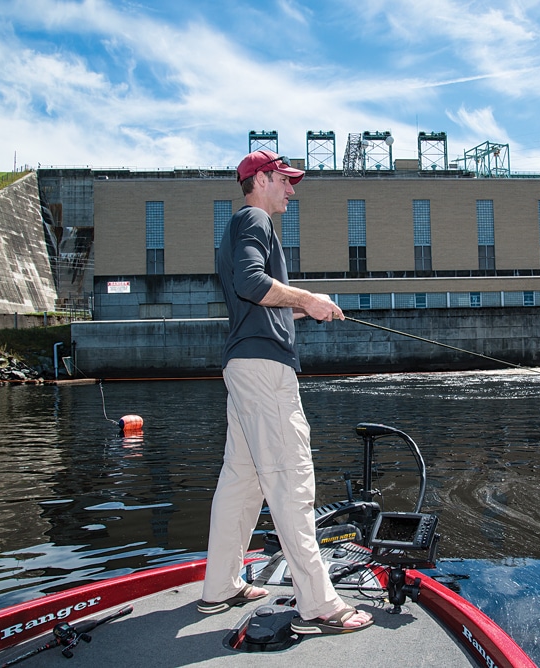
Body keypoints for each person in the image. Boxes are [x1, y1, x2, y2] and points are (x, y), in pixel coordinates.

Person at [198, 150, 374, 635]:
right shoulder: (254, 218)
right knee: (292, 481)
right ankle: (318, 603)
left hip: (244, 366)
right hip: (264, 371)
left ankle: (220, 586)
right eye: (285, 180)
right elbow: (253, 284)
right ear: (258, 179)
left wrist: (307, 310)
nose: (291, 190)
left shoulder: (240, 225)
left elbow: (253, 300)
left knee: (243, 481)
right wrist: (307, 297)